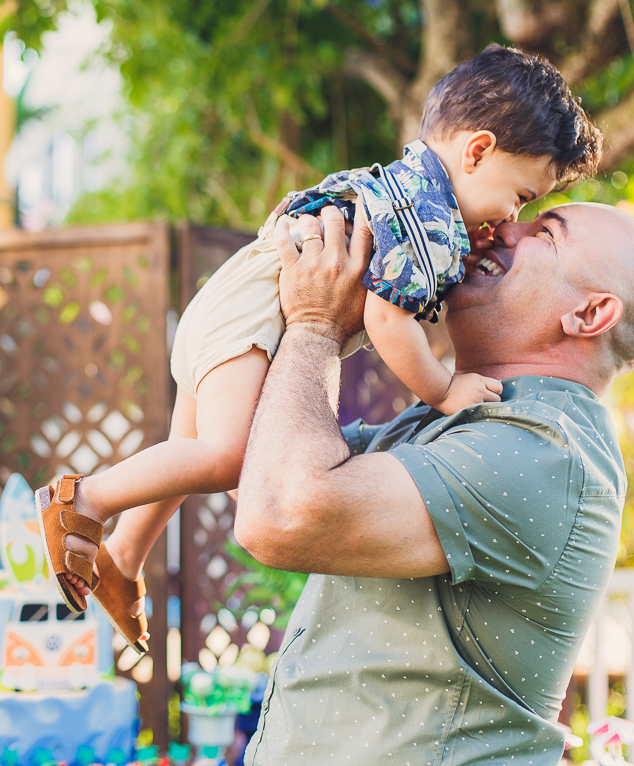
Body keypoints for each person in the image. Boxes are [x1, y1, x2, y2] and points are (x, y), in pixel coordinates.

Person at [32, 45, 603, 651]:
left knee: (186, 451)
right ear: (478, 151)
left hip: (238, 294)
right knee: (226, 459)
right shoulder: (428, 220)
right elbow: (387, 317)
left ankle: (123, 557)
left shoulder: (407, 187)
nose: (512, 217)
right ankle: (82, 500)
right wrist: (442, 388)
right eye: (519, 197)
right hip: (254, 312)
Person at [233, 202, 634, 764]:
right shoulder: (458, 418)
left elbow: (279, 515)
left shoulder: (543, 450)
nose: (499, 227)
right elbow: (257, 474)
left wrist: (316, 326)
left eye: (544, 231)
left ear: (589, 314)